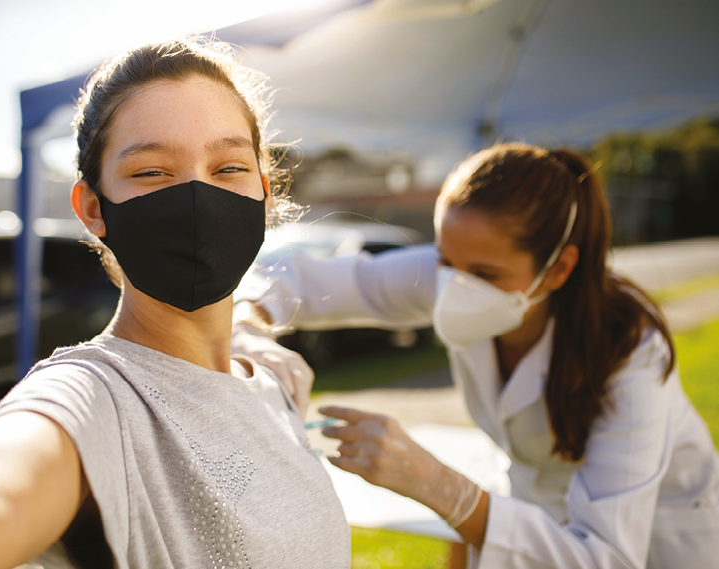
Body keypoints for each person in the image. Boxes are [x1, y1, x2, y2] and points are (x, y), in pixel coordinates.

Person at [0, 37, 350, 569]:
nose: (198, 199)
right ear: (92, 208)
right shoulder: (93, 402)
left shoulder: (274, 383)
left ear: (264, 191)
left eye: (228, 167)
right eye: (151, 172)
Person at [235, 142, 719, 568]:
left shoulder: (629, 355)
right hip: (537, 520)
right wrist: (247, 329)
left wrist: (440, 486)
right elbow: (289, 277)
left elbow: (606, 557)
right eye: (444, 261)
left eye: (485, 273)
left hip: (667, 543)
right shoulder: (463, 274)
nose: (456, 287)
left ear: (558, 269)